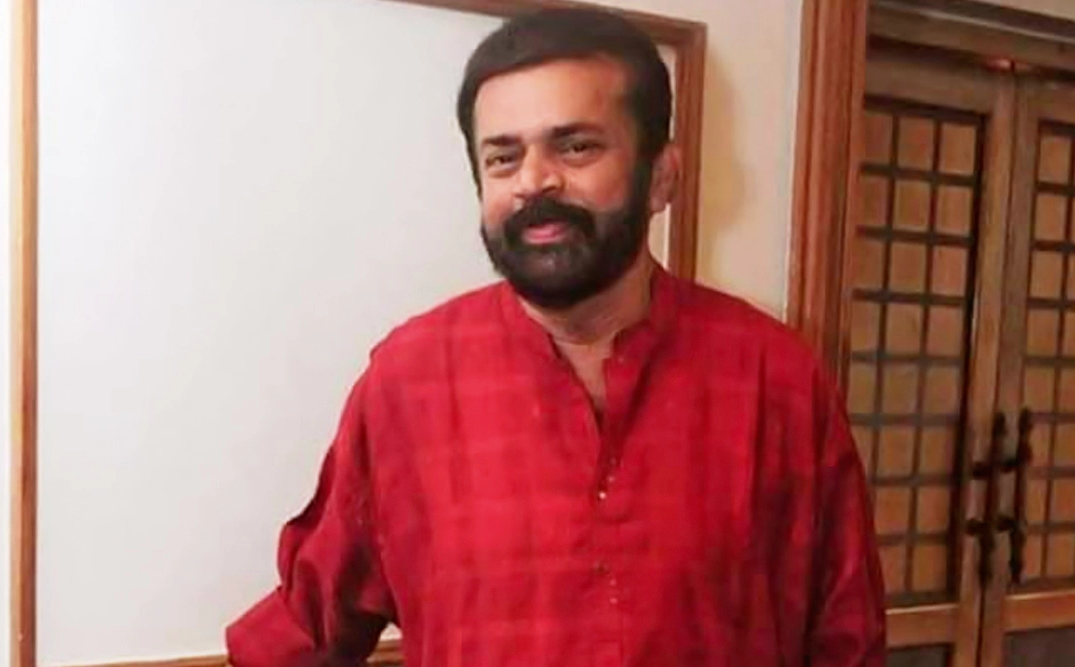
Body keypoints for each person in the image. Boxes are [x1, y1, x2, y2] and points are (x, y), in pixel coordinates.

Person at [226, 7, 886, 667]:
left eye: (576, 147)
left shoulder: (776, 378)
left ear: (661, 176)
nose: (534, 181)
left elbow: (846, 638)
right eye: (503, 157)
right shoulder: (408, 383)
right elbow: (305, 629)